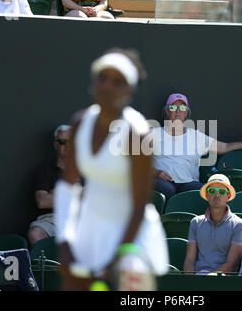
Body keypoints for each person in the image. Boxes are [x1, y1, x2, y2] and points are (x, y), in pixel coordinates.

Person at [54, 48, 168, 291]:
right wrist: (65, 241)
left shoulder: (137, 133)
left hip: (131, 235)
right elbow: (68, 186)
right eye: (102, 78)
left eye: (118, 82)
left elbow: (139, 204)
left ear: (129, 91)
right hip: (89, 228)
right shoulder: (80, 123)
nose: (107, 86)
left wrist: (116, 259)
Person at [151, 93, 242, 202]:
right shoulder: (154, 133)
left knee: (204, 191)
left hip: (188, 183)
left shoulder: (196, 136)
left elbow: (224, 146)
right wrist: (156, 172)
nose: (177, 111)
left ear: (186, 112)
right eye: (173, 108)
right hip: (164, 181)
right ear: (167, 111)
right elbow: (135, 160)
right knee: (166, 189)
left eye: (182, 108)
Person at [184, 174, 242, 275]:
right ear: (207, 195)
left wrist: (206, 281)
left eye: (222, 192)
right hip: (197, 279)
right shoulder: (195, 222)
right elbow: (189, 260)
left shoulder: (239, 225)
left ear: (228, 196)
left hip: (222, 282)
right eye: (212, 191)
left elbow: (231, 264)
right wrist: (191, 280)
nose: (217, 195)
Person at [28, 124, 72, 247]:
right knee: (35, 234)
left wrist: (55, 193)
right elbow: (42, 202)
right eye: (63, 142)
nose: (67, 145)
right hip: (53, 218)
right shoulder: (45, 169)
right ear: (56, 145)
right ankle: (48, 267)